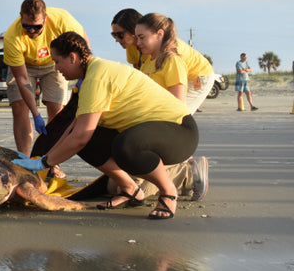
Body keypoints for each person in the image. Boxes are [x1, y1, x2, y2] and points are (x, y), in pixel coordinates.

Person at [12, 32, 199, 219]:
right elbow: (73, 130)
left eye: (57, 61)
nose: (56, 67)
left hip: (179, 132)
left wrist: (43, 163)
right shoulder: (87, 79)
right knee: (90, 141)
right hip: (150, 134)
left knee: (126, 145)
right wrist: (44, 158)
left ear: (72, 58)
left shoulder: (97, 77)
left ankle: (168, 191)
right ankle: (130, 190)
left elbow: (79, 136)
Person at [3, 0, 89, 176]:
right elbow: (22, 79)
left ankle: (52, 162)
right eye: (27, 26)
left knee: (56, 110)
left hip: (54, 64)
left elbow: (84, 45)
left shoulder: (63, 20)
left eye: (37, 27)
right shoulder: (12, 36)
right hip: (25, 66)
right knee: (19, 106)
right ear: (20, 17)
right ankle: (25, 161)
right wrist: (35, 114)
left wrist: (85, 76)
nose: (31, 31)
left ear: (46, 19)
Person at [135, 13, 215, 114]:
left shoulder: (172, 60)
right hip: (151, 118)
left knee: (186, 110)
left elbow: (177, 104)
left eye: (142, 37)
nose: (138, 43)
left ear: (159, 34)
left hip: (200, 77)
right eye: (137, 38)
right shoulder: (147, 63)